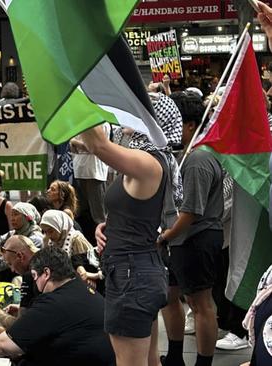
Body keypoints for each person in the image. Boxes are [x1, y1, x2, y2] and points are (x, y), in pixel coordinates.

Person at [83, 121, 173, 366]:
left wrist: (77, 99)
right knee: (150, 360)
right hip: (136, 272)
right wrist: (108, 227)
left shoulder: (147, 162)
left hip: (132, 276)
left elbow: (98, 145)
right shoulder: (147, 159)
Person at [157, 91, 224, 366]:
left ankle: (203, 362)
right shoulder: (182, 156)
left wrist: (165, 236)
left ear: (190, 125)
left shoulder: (198, 160)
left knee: (200, 304)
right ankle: (175, 356)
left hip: (195, 239)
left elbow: (191, 211)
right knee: (169, 297)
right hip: (177, 239)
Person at [0, 247, 115, 366]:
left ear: (46, 273)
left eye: (35, 276)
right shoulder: (84, 289)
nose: (36, 284)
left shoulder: (52, 302)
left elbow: (3, 344)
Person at [40, 209, 100, 289]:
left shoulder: (76, 239)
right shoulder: (49, 241)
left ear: (60, 226)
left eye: (51, 231)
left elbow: (90, 262)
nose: (48, 235)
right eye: (45, 232)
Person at [70, 124, 110, 240]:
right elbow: (73, 147)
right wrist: (76, 143)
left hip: (94, 172)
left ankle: (104, 244)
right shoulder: (80, 122)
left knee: (98, 215)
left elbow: (95, 147)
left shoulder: (101, 122)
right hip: (79, 169)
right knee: (82, 212)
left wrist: (76, 142)